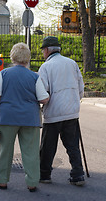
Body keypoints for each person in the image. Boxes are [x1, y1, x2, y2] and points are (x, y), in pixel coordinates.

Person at [0, 42, 49, 192]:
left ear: (13, 57)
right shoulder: (34, 76)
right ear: (28, 58)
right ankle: (32, 183)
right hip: (30, 119)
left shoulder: (4, 74)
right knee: (31, 152)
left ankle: (2, 180)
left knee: (4, 151)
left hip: (7, 118)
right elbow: (43, 99)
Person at [38, 36, 85, 186]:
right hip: (72, 111)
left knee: (48, 146)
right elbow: (80, 88)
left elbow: (42, 92)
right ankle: (78, 175)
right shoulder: (72, 63)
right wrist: (74, 102)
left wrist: (42, 105)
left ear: (47, 50)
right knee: (72, 145)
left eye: (43, 51)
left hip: (53, 113)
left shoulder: (46, 67)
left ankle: (45, 175)